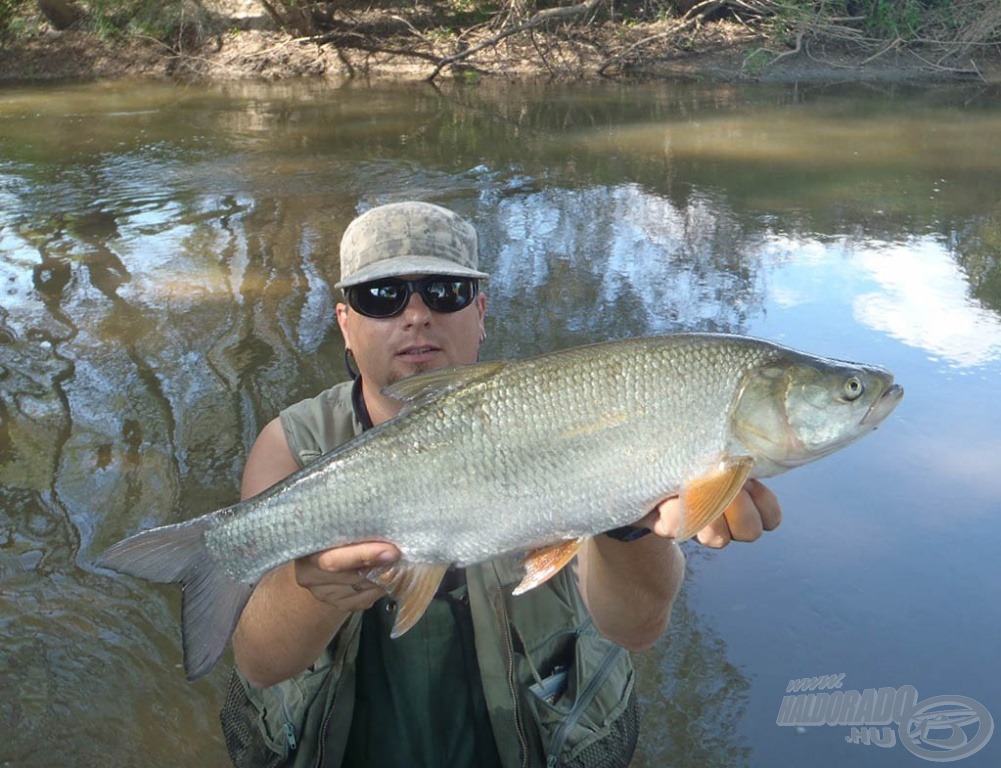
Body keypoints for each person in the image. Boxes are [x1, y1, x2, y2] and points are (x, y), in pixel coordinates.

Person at [221, 201, 782, 768]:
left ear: (481, 312)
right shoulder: (291, 445)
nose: (416, 315)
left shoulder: (573, 412)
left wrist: (627, 526)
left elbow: (638, 630)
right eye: (382, 296)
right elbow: (258, 664)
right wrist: (313, 591)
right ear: (345, 323)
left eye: (445, 292)